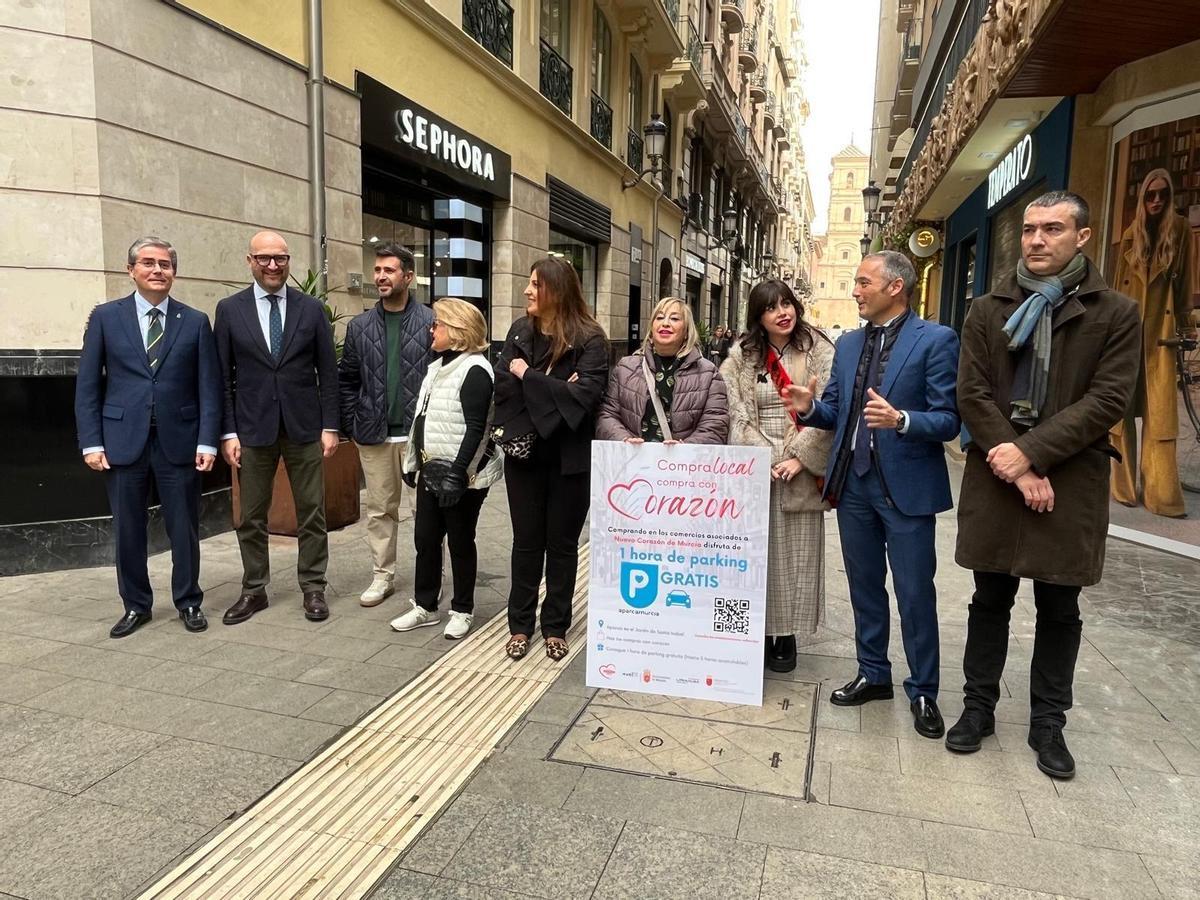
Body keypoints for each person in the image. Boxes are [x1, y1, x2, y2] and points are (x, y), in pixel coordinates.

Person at [951, 191, 1140, 779]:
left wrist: (1031, 453)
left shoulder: (1116, 312)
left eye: (1052, 229)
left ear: (1081, 237)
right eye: (1030, 229)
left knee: (1060, 606)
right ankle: (978, 707)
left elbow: (1108, 399)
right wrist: (1018, 465)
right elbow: (973, 392)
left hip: (1070, 478)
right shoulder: (987, 308)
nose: (1035, 239)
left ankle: (1048, 723)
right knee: (990, 600)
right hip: (1000, 476)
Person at [783, 251, 960, 738]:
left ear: (895, 287)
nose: (856, 290)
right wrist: (809, 407)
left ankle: (923, 690)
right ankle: (873, 673)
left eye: (863, 282)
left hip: (905, 489)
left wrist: (902, 420)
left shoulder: (937, 340)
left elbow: (949, 420)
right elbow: (836, 410)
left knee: (915, 593)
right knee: (864, 587)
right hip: (853, 485)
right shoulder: (848, 343)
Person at [75, 237, 221, 638]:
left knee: (185, 528)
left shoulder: (194, 321)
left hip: (181, 441)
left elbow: (209, 386)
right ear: (131, 270)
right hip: (122, 441)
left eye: (165, 264)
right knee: (128, 529)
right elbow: (88, 385)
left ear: (174, 272)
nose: (158, 270)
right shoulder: (106, 317)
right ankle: (136, 605)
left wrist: (207, 441)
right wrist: (91, 442)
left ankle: (189, 600)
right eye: (148, 263)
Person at [214, 231, 339, 626]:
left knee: (312, 512)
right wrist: (228, 432)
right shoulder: (230, 310)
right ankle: (254, 589)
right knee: (251, 515)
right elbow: (223, 377)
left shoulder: (312, 309)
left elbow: (328, 373)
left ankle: (313, 585)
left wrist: (331, 426)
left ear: (288, 262)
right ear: (249, 261)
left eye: (280, 259)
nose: (273, 266)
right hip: (251, 430)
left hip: (304, 427)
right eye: (264, 258)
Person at [494, 258, 609, 662]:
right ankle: (519, 625)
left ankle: (555, 626)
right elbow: (504, 391)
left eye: (535, 284)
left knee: (562, 545)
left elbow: (586, 400)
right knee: (526, 543)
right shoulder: (518, 331)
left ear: (556, 291)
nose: (527, 291)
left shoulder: (591, 339)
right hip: (525, 455)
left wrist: (530, 377)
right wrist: (556, 388)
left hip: (570, 459)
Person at [721, 279, 834, 673]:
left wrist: (799, 458)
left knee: (796, 556)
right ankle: (753, 630)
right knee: (755, 553)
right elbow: (734, 410)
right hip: (758, 466)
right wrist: (762, 456)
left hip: (800, 463)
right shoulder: (742, 356)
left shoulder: (818, 348)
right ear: (759, 317)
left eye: (787, 303)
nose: (782, 313)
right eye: (771, 308)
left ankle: (785, 633)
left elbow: (834, 407)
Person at [386, 299, 502, 640]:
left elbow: (477, 429)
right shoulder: (437, 366)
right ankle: (425, 606)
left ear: (457, 331)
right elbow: (423, 419)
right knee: (426, 539)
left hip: (463, 477)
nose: (431, 328)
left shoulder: (476, 370)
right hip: (430, 472)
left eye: (438, 323)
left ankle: (462, 609)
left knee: (461, 541)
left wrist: (458, 474)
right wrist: (412, 461)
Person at [338, 243, 434, 607]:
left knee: (428, 514)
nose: (380, 276)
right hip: (374, 435)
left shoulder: (430, 322)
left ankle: (430, 578)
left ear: (408, 277)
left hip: (419, 438)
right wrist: (352, 423)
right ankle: (383, 576)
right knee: (380, 511)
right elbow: (347, 379)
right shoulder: (360, 326)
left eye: (389, 270)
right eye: (377, 270)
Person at [1111, 168, 1196, 517]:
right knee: (1120, 413)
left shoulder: (1180, 232)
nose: (1157, 200)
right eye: (1150, 194)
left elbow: (1185, 285)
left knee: (1161, 418)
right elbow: (1118, 288)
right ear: (1143, 197)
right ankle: (1125, 488)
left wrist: (1187, 327)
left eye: (1162, 194)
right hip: (1129, 334)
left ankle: (1161, 494)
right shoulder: (1131, 236)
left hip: (1161, 335)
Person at [596, 296, 728, 445]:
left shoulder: (709, 374)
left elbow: (716, 425)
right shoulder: (625, 368)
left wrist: (685, 448)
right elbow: (607, 414)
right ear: (652, 328)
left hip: (682, 465)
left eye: (674, 319)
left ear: (686, 331)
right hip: (633, 462)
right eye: (659, 318)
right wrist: (624, 440)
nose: (665, 323)